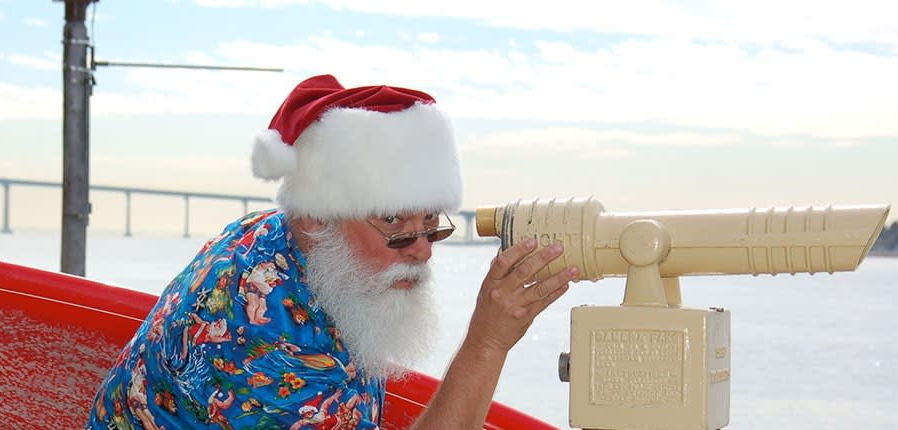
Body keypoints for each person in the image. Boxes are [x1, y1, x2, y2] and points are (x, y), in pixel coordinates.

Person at [87, 74, 579, 429]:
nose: (423, 250)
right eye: (394, 223)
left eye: (430, 223)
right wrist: (486, 344)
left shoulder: (273, 239)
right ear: (316, 216)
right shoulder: (269, 347)